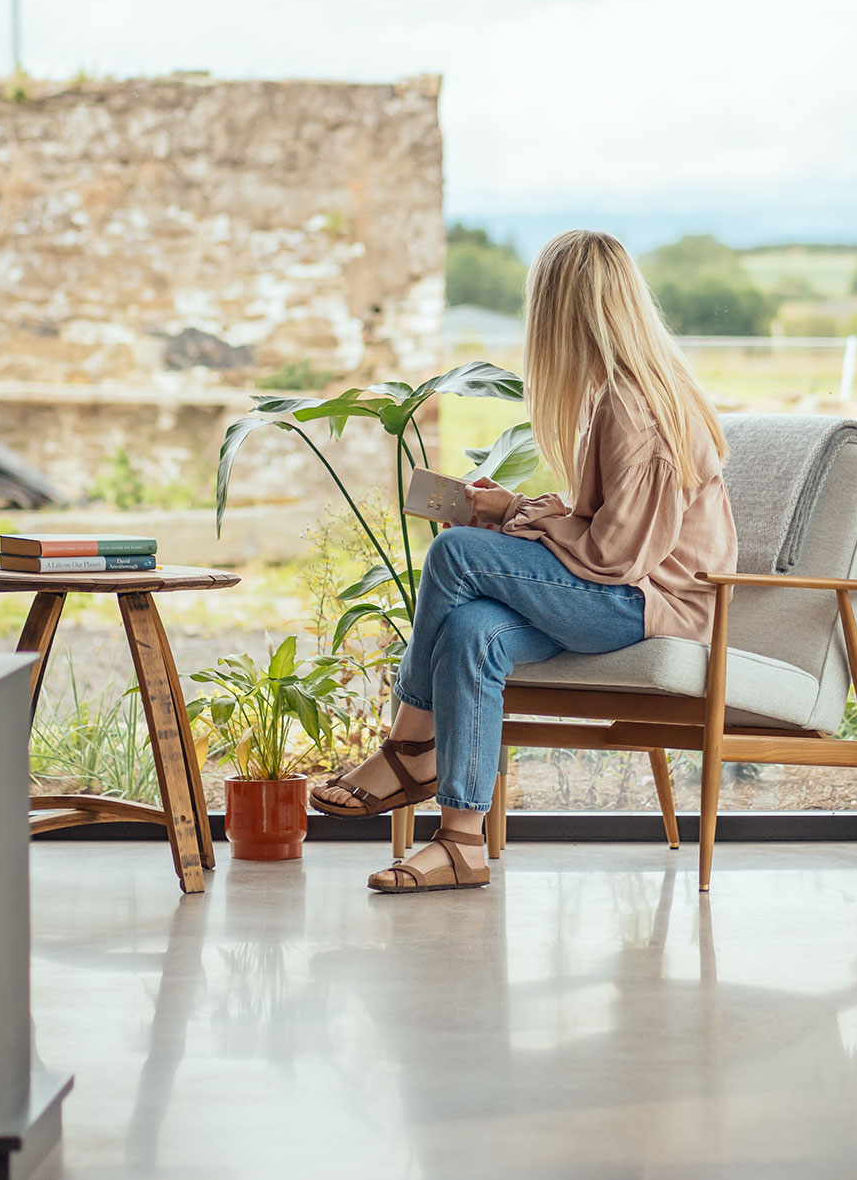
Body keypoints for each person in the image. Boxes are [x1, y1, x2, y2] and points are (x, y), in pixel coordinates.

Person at [311, 227, 738, 893]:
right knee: (471, 632)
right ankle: (461, 844)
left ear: (560, 313)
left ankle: (409, 749)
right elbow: (608, 525)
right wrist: (508, 509)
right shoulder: (619, 391)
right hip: (617, 593)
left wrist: (509, 517)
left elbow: (618, 555)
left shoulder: (638, 405)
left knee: (454, 552)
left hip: (644, 605)